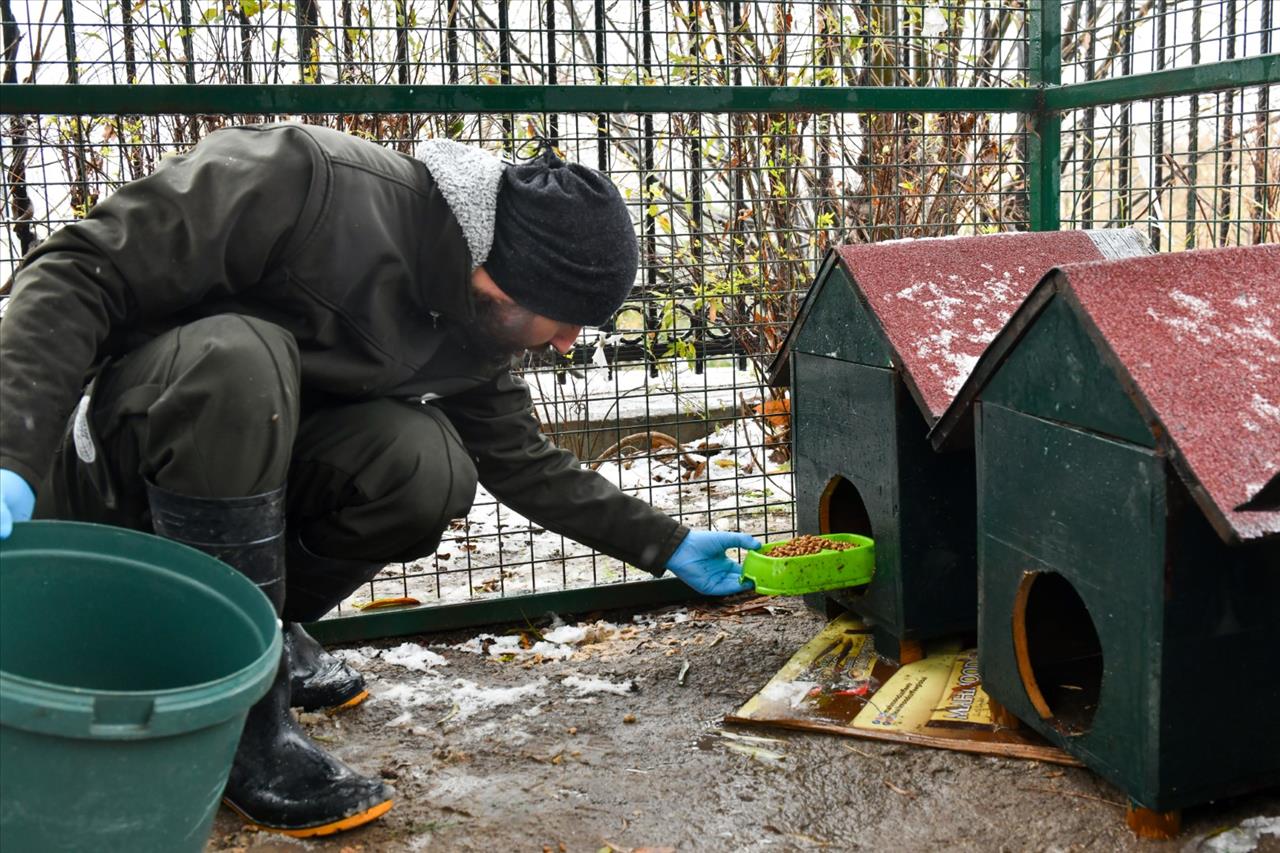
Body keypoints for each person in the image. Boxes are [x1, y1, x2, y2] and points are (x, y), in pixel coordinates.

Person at [0, 123, 761, 838]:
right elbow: (79, 267)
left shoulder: (472, 319)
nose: (566, 345)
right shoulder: (304, 182)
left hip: (235, 490)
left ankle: (261, 630)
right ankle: (245, 726)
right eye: (565, 319)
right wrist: (12, 452)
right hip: (106, 474)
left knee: (421, 462)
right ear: (509, 275)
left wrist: (668, 543)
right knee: (241, 358)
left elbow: (521, 459)